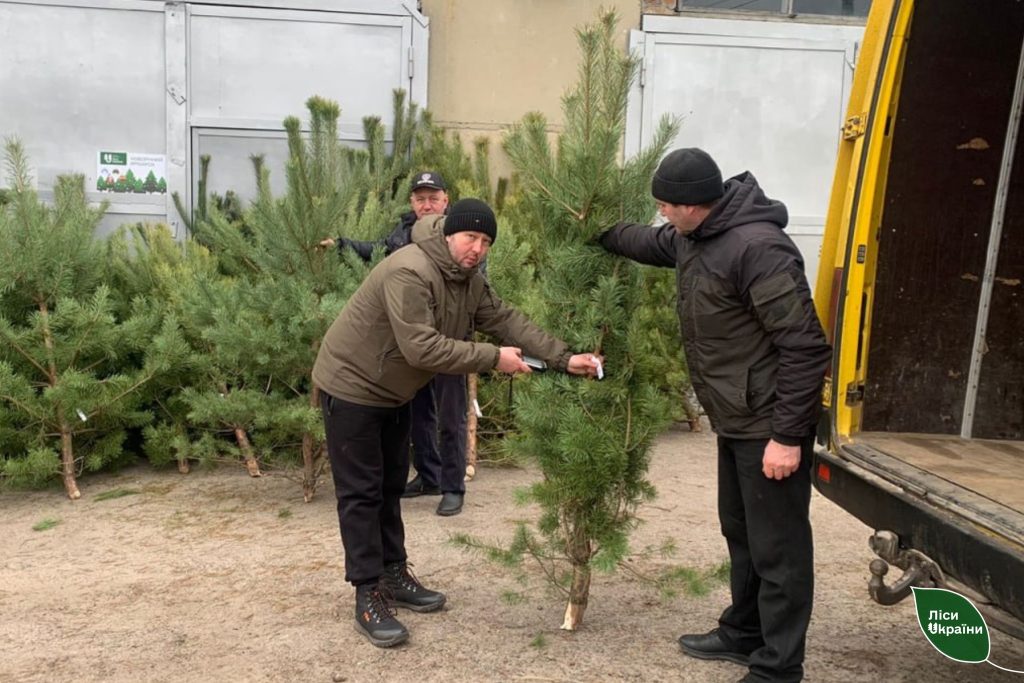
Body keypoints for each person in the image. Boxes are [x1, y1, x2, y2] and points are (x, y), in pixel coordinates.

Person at [313, 198, 602, 648]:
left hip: (393, 391)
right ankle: (367, 593)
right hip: (351, 387)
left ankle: (393, 574)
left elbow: (506, 320)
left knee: (390, 488)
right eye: (471, 237)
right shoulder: (409, 271)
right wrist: (493, 359)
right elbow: (422, 349)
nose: (478, 248)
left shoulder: (467, 280)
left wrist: (564, 358)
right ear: (449, 233)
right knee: (361, 495)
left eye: (486, 241)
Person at [598, 148, 831, 683]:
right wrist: (599, 233)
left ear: (692, 205)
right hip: (736, 417)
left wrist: (788, 436)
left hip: (769, 424)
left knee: (779, 549)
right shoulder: (696, 237)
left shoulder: (759, 249)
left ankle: (778, 668)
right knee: (742, 533)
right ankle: (744, 633)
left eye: (665, 206)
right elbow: (648, 242)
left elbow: (804, 346)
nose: (661, 215)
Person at [321, 171, 471, 517]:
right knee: (418, 414)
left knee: (450, 416)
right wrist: (342, 245)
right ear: (412, 202)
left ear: (446, 200)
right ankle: (429, 475)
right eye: (420, 198)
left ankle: (452, 486)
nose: (427, 204)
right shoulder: (403, 234)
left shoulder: (461, 234)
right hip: (411, 342)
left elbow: (475, 288)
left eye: (433, 197)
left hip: (448, 341)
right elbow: (376, 251)